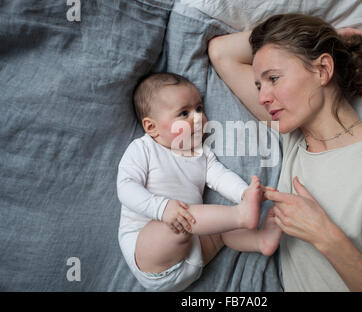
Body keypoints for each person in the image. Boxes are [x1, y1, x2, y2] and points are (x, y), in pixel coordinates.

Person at [208, 13, 362, 291]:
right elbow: (220, 53)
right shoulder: (294, 136)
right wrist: (334, 38)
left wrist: (325, 236)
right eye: (259, 85)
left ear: (322, 70)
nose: (262, 97)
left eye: (274, 78)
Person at [116, 72, 282, 291]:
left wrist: (245, 193)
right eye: (184, 113)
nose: (197, 118)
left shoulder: (200, 153)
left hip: (196, 254)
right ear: (152, 127)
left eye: (199, 109)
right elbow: (126, 188)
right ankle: (240, 215)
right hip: (150, 253)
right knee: (180, 222)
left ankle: (260, 241)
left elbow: (220, 177)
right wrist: (162, 208)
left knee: (221, 231)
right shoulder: (143, 149)